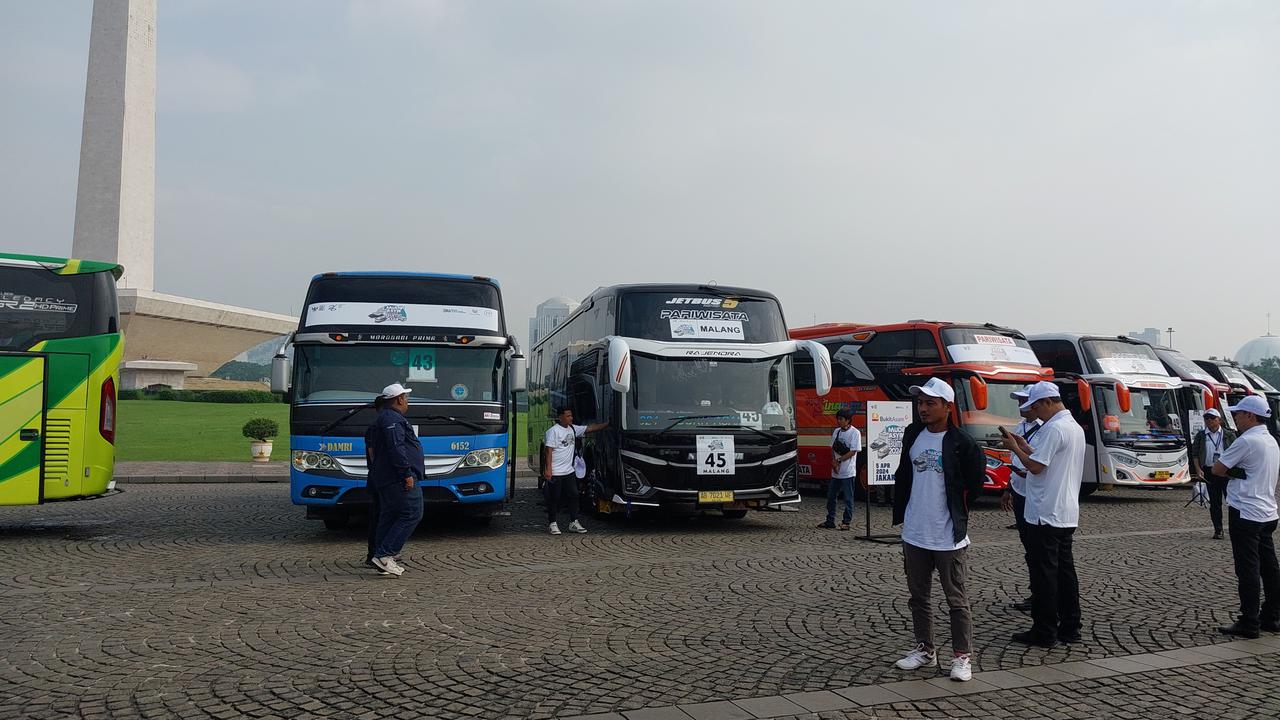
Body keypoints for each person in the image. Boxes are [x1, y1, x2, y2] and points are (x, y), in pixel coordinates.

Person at [891, 377, 986, 682]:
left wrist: (958, 511)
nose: (923, 408)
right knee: (918, 597)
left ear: (947, 407)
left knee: (956, 600)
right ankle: (925, 649)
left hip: (947, 536)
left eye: (930, 403)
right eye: (920, 402)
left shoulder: (962, 443)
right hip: (915, 532)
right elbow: (905, 475)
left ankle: (962, 656)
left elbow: (975, 483)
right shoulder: (912, 434)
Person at [1001, 381, 1086, 647]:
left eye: (1036, 407)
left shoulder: (1054, 428)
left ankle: (1044, 630)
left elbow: (1036, 467)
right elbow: (1046, 458)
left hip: (1045, 510)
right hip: (1065, 509)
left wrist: (1015, 449)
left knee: (1044, 574)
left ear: (1048, 402)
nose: (1035, 413)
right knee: (1065, 572)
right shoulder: (1073, 427)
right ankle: (1071, 626)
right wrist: (1025, 446)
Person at [1211, 395, 1280, 639]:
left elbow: (1217, 469)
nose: (1236, 418)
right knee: (1270, 567)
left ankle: (1249, 621)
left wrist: (1235, 473)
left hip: (1245, 511)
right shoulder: (1271, 440)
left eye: (1238, 414)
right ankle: (1272, 615)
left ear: (1250, 416)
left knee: (1248, 569)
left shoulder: (1247, 440)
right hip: (1268, 511)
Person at [367, 383, 425, 576]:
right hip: (397, 477)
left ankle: (380, 557)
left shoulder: (384, 418)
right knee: (412, 512)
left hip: (385, 477)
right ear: (399, 399)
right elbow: (396, 448)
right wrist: (406, 474)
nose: (407, 402)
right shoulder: (393, 419)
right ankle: (385, 555)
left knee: (389, 515)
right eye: (406, 398)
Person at [1000, 385, 1043, 612]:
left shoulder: (1046, 429)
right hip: (1019, 490)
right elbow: (1014, 460)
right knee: (1028, 546)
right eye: (1018, 401)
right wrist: (1008, 487)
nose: (1020, 406)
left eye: (1024, 401)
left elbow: (1039, 463)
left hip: (1034, 494)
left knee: (1038, 548)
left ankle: (1041, 595)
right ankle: (1035, 591)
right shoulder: (1020, 426)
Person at [543, 408, 608, 535]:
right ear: (560, 417)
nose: (571, 418)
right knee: (555, 498)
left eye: (571, 415)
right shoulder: (553, 431)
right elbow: (548, 451)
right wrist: (548, 469)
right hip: (556, 471)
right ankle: (552, 523)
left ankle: (574, 521)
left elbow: (589, 428)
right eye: (568, 416)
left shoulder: (573, 429)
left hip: (569, 471)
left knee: (574, 495)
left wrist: (607, 424)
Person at [1192, 408, 1237, 540]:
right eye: (1207, 418)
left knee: (1232, 501)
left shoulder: (1228, 434)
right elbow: (1195, 454)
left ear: (1219, 420)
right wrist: (1198, 469)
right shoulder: (1201, 435)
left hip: (1227, 471)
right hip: (1210, 471)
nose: (1209, 420)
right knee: (1215, 503)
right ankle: (1218, 530)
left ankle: (1235, 529)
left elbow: (1236, 452)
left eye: (1212, 418)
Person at [818, 409, 861, 530]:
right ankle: (830, 520)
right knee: (831, 496)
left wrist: (839, 461)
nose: (839, 421)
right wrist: (834, 462)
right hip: (836, 471)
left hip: (848, 471)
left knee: (848, 498)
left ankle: (846, 522)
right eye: (838, 418)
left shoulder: (855, 433)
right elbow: (832, 448)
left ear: (848, 420)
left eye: (841, 419)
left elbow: (853, 451)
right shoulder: (836, 431)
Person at [364, 394, 387, 569]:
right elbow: (373, 454)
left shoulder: (375, 426)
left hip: (377, 476)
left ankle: (377, 552)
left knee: (380, 515)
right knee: (380, 516)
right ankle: (375, 553)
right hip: (381, 478)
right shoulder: (378, 427)